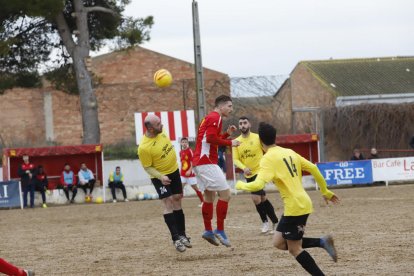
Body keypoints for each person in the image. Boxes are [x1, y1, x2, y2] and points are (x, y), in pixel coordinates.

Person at [236, 122, 340, 276]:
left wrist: (240, 185)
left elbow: (257, 184)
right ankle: (321, 242)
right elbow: (313, 168)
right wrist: (324, 190)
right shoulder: (289, 152)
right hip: (298, 203)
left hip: (295, 207)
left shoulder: (267, 159)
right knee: (278, 242)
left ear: (260, 142)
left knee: (294, 248)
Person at [138, 114, 191, 253]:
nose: (162, 125)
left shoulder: (162, 132)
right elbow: (147, 167)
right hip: (159, 177)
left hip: (174, 171)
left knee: (177, 199)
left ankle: (183, 234)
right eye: (158, 124)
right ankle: (176, 239)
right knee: (168, 202)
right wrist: (161, 176)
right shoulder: (144, 147)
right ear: (150, 128)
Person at [192, 95, 240, 247]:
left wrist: (226, 134)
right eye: (229, 106)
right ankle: (219, 230)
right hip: (206, 161)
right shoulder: (216, 117)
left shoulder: (209, 117)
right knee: (226, 194)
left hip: (200, 161)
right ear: (221, 106)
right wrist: (230, 142)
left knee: (209, 196)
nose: (231, 110)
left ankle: (208, 230)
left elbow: (209, 139)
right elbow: (211, 139)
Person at [232, 116, 279, 234]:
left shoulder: (258, 138)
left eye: (245, 123)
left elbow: (268, 150)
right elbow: (235, 159)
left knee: (255, 198)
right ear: (239, 126)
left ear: (249, 124)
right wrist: (244, 168)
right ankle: (275, 221)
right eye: (240, 123)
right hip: (249, 174)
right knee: (262, 198)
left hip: (261, 171)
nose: (242, 125)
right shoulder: (236, 142)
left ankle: (265, 222)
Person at [179, 137, 204, 206]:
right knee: (180, 188)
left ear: (187, 143)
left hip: (190, 174)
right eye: (183, 142)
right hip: (183, 174)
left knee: (195, 188)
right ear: (181, 143)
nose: (184, 143)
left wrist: (190, 171)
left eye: (185, 142)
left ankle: (203, 202)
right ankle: (178, 204)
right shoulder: (180, 152)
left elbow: (193, 162)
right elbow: (182, 163)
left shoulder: (190, 151)